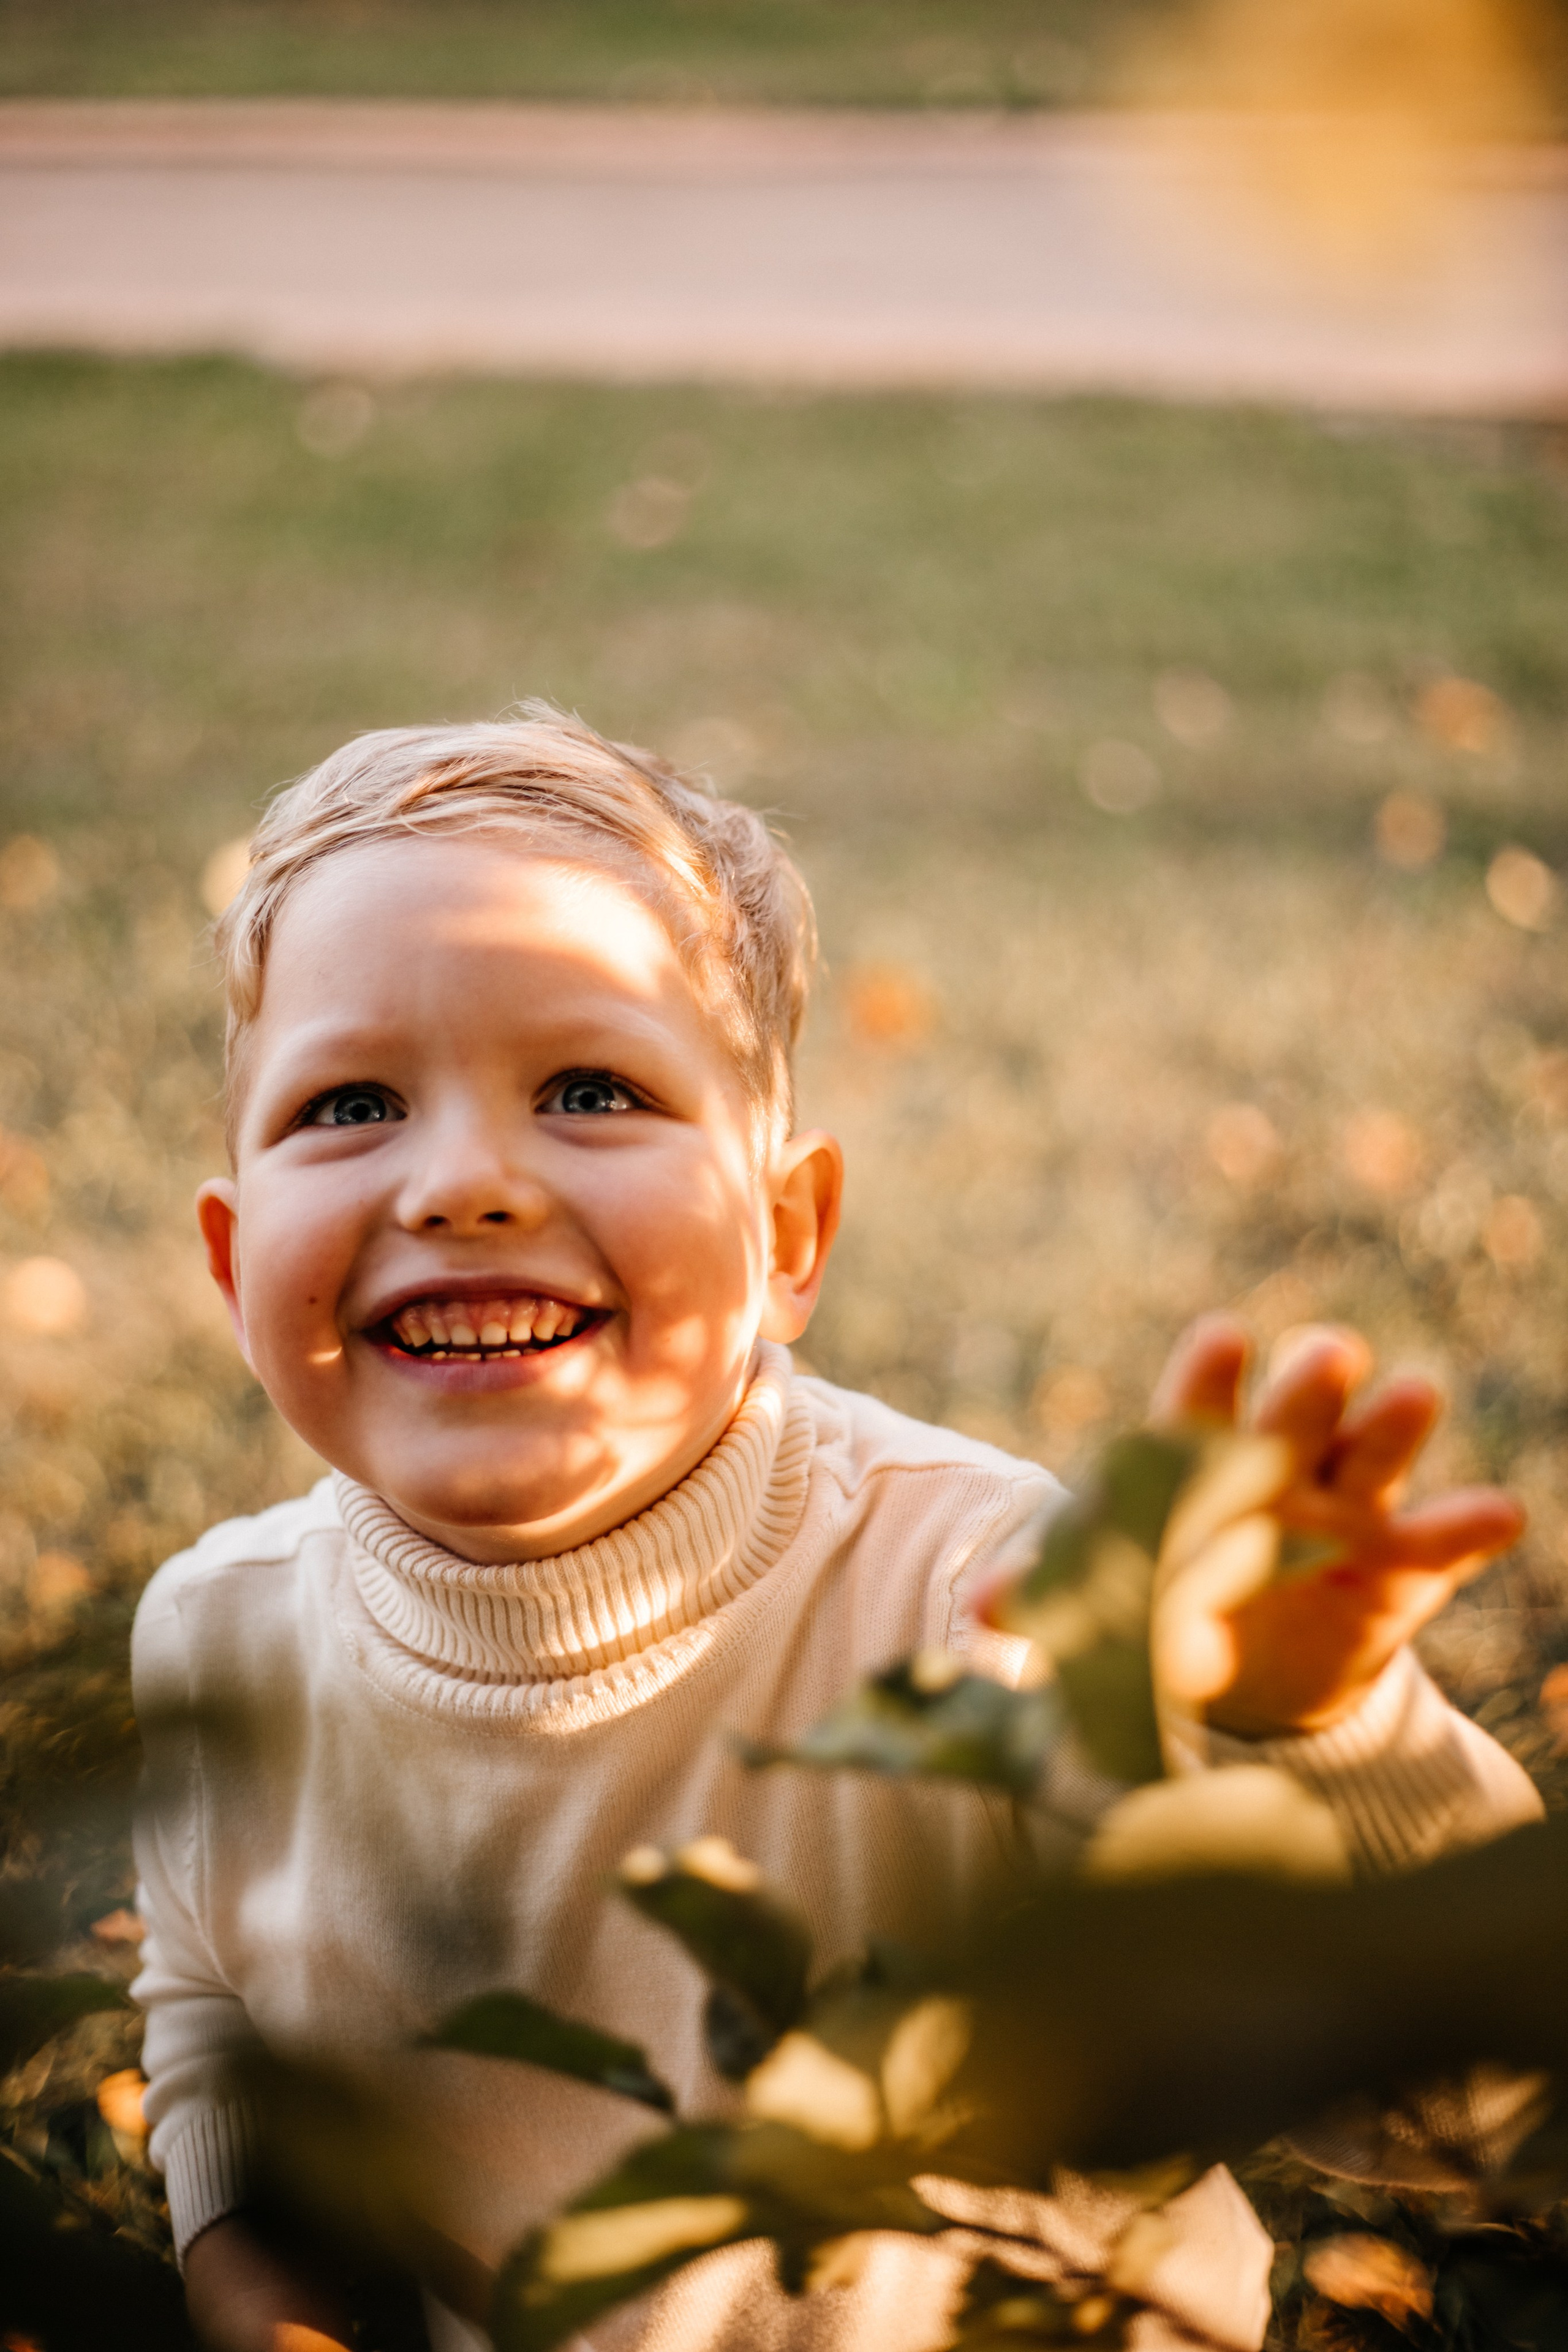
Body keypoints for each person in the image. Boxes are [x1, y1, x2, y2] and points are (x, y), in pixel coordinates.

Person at [132, 707, 1540, 2352]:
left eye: (591, 1088)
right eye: (352, 1103)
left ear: (790, 1235)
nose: (462, 1183)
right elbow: (223, 2039)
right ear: (234, 1270)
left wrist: (1307, 1731)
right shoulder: (217, 1643)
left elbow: (1458, 2108)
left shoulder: (996, 1613)